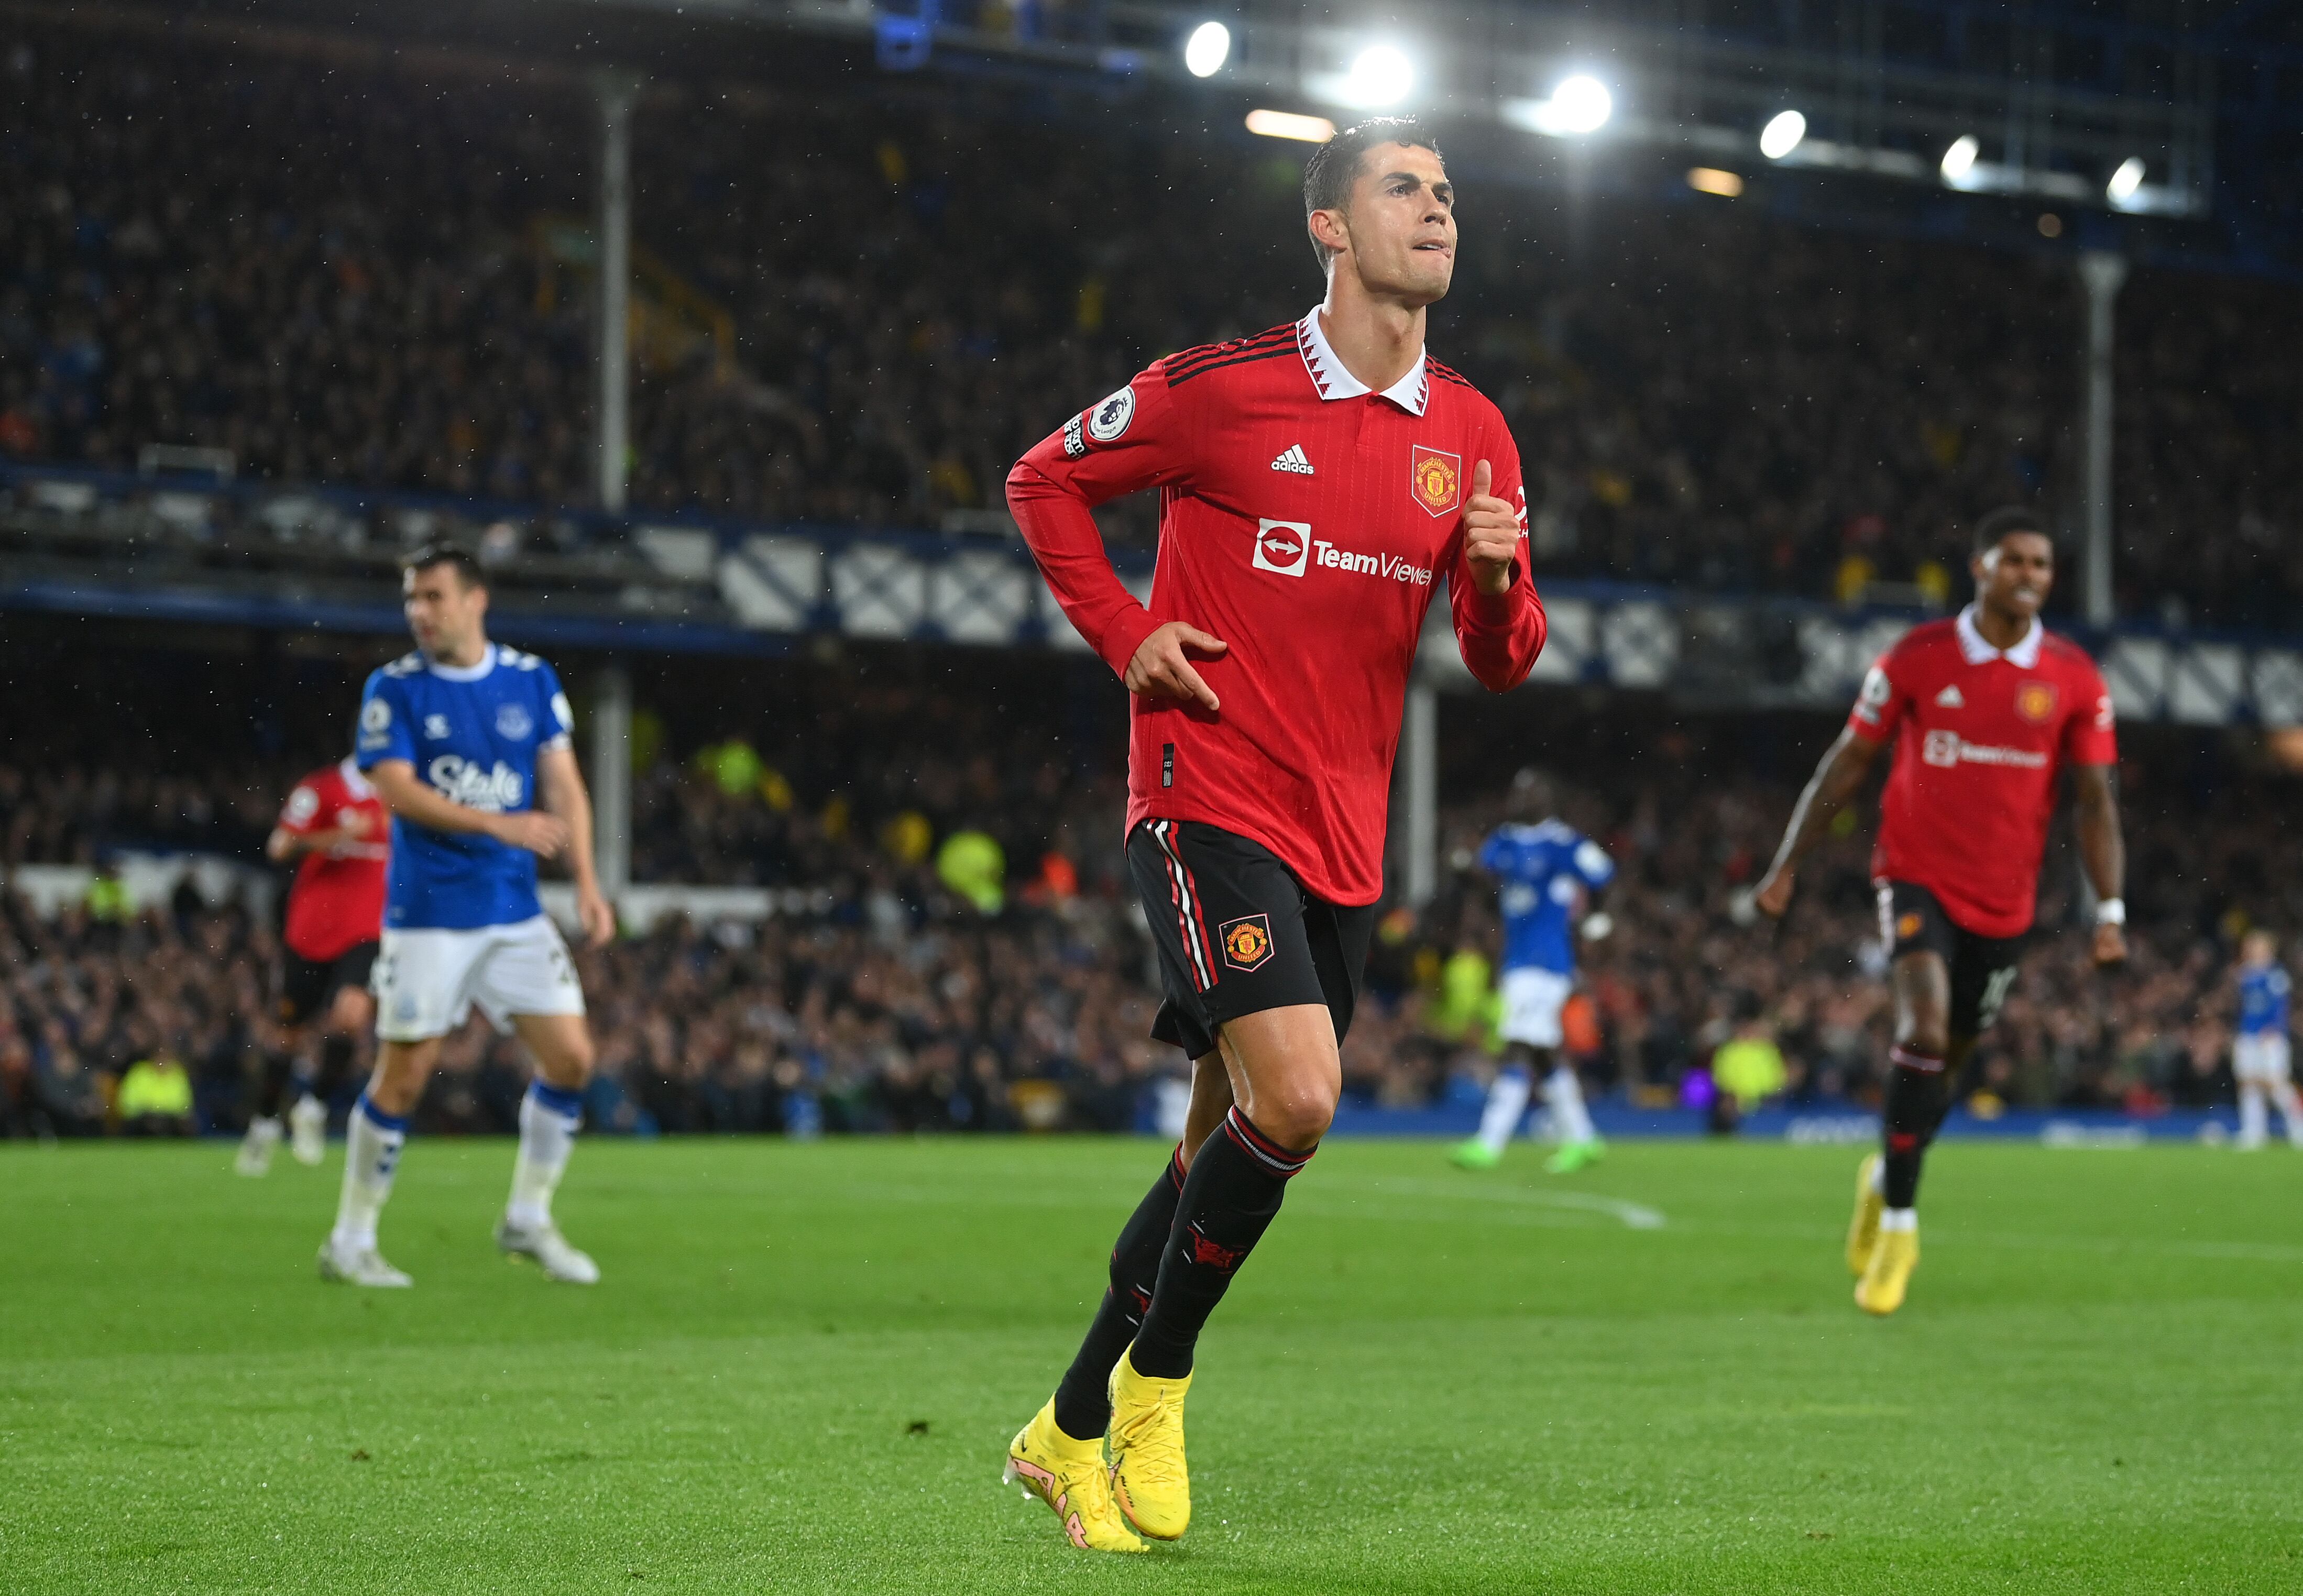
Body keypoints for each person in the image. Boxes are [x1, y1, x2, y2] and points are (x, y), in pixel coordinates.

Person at [1000, 116, 1547, 1552]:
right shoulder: (1220, 393)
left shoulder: (1472, 432)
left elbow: (1501, 656)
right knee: (1297, 1100)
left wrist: (1490, 585)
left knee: (1215, 1154)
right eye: (1402, 189)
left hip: (1340, 837)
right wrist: (1125, 633)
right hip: (1203, 797)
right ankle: (1157, 1381)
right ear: (1327, 224)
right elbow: (1040, 479)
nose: (1436, 210)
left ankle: (1060, 1429)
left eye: (1446, 192)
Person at [1754, 506, 2125, 1317]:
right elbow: (1849, 763)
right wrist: (1788, 865)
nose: (2032, 575)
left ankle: (1885, 1171)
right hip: (1915, 875)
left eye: (2043, 564)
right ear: (1981, 566)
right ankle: (1900, 1223)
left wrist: (2112, 910)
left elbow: (2096, 801)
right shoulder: (1918, 657)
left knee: (1946, 1065)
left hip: (2006, 899)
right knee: (1920, 1031)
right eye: (2017, 559)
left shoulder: (2074, 677)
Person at [317, 543, 616, 1288]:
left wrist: (586, 878)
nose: (419, 611)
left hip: (514, 910)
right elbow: (394, 789)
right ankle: (350, 1239)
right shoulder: (395, 688)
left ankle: (527, 1216)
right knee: (405, 1077)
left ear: (476, 599)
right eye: (411, 598)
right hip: (430, 914)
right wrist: (498, 824)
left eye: (434, 596)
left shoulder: (529, 679)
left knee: (573, 1059)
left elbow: (565, 786)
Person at [1452, 769, 1615, 1172]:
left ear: (1548, 798)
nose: (1520, 797)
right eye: (1517, 790)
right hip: (1516, 957)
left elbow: (1605, 873)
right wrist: (1462, 865)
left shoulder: (1563, 842)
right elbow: (1482, 877)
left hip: (1545, 960)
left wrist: (1599, 918)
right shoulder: (1505, 839)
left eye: (1530, 791)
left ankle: (1489, 1143)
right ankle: (1583, 1138)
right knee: (1544, 1054)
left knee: (1517, 1045)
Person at [235, 757, 389, 1175]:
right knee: (288, 1036)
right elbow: (280, 846)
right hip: (310, 933)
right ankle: (265, 1121)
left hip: (366, 933)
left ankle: (314, 1106)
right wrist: (338, 835)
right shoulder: (321, 789)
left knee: (351, 1018)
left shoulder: (398, 794)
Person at [2232, 930, 2300, 1150]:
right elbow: (2244, 1008)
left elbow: (2281, 1006)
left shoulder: (2276, 974)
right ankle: (2254, 1133)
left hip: (2270, 1036)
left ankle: (2298, 1128)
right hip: (2248, 1034)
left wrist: (2274, 1029)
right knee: (2249, 1083)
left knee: (2276, 1083)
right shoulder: (2245, 974)